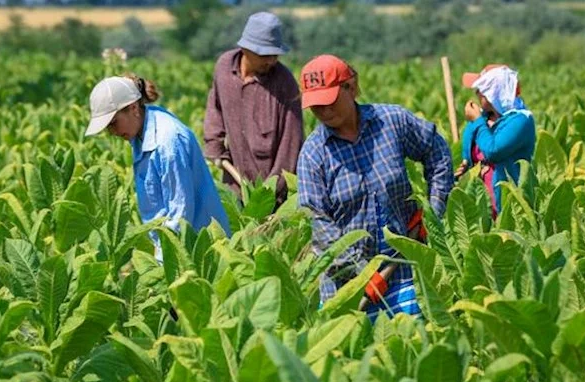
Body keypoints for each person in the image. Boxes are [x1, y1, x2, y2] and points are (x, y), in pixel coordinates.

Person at [296, 55, 454, 321]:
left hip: (405, 269)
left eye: (329, 100)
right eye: (315, 105)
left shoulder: (392, 121)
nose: (323, 111)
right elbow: (321, 228)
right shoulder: (313, 154)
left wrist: (433, 212)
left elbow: (437, 152)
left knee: (413, 347)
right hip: (349, 289)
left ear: (352, 87)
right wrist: (362, 275)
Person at [85, 74, 231, 259]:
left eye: (113, 123)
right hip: (177, 244)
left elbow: (181, 212)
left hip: (199, 249)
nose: (112, 132)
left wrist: (164, 262)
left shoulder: (167, 141)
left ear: (133, 108)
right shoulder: (141, 128)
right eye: (107, 128)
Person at [204, 11, 303, 206]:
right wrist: (214, 146)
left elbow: (291, 145)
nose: (271, 61)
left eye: (275, 55)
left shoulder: (284, 82)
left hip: (273, 196)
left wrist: (268, 195)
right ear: (245, 49)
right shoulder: (224, 68)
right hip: (234, 185)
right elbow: (215, 110)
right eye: (265, 55)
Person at [455, 64, 536, 219]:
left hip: (508, 207)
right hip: (481, 205)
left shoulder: (521, 120)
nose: (476, 93)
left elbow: (494, 151)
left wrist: (478, 121)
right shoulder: (483, 119)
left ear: (493, 92)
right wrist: (466, 165)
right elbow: (472, 150)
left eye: (480, 89)